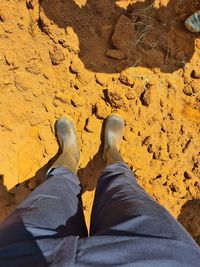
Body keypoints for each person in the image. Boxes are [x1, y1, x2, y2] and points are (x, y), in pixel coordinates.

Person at [0, 114, 200, 267]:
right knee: (123, 187)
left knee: (57, 186)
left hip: (22, 257)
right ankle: (109, 150)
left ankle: (70, 155)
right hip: (158, 256)